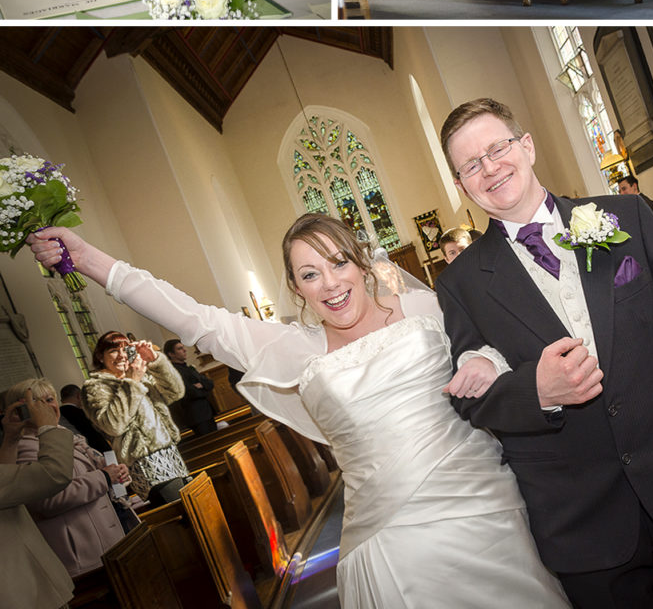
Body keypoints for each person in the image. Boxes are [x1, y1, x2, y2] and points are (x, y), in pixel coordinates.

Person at [28, 217, 570, 609]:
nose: (331, 284)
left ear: (362, 262)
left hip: (484, 506)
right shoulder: (293, 348)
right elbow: (190, 316)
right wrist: (87, 257)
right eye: (310, 275)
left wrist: (482, 356)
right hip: (391, 539)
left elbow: (496, 348)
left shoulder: (425, 308)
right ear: (295, 288)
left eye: (338, 263)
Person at [436, 97, 653, 609]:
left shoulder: (627, 218)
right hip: (580, 519)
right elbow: (471, 398)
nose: (490, 168)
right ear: (462, 184)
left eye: (498, 148)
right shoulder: (458, 283)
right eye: (471, 164)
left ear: (526, 147)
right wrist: (537, 391)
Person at [7, 377, 126, 578]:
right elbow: (47, 499)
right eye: (37, 403)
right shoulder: (24, 449)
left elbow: (95, 473)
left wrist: (117, 474)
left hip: (111, 540)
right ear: (22, 411)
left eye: (50, 399)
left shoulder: (65, 437)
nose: (47, 407)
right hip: (84, 553)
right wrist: (103, 478)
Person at [81, 331, 191, 507]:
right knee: (183, 512)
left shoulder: (138, 375)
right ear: (100, 357)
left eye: (126, 349)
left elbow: (176, 392)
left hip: (170, 454)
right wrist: (132, 383)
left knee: (195, 507)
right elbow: (113, 426)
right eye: (114, 351)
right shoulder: (95, 387)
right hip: (145, 464)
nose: (122, 356)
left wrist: (155, 360)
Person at [0, 386, 74, 609]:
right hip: (22, 594)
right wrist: (49, 427)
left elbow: (7, 483)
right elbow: (54, 474)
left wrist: (11, 439)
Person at [163, 338, 217, 436]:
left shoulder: (188, 368)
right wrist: (204, 389)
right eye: (179, 349)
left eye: (183, 347)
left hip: (207, 412)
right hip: (196, 415)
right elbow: (190, 392)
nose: (184, 350)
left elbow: (210, 383)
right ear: (171, 354)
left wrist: (202, 386)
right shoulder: (174, 371)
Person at [58, 384, 111, 454]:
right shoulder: (82, 413)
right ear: (79, 396)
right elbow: (95, 435)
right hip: (98, 453)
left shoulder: (58, 416)